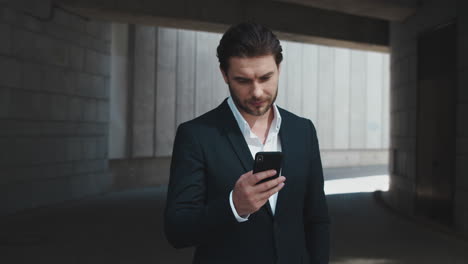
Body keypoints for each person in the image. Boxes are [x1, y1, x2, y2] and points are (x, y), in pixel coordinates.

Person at [164, 21, 330, 264]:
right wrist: (234, 206)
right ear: (225, 75)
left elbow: (317, 219)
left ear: (279, 68)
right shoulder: (196, 135)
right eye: (243, 80)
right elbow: (177, 230)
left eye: (265, 78)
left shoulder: (302, 130)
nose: (257, 92)